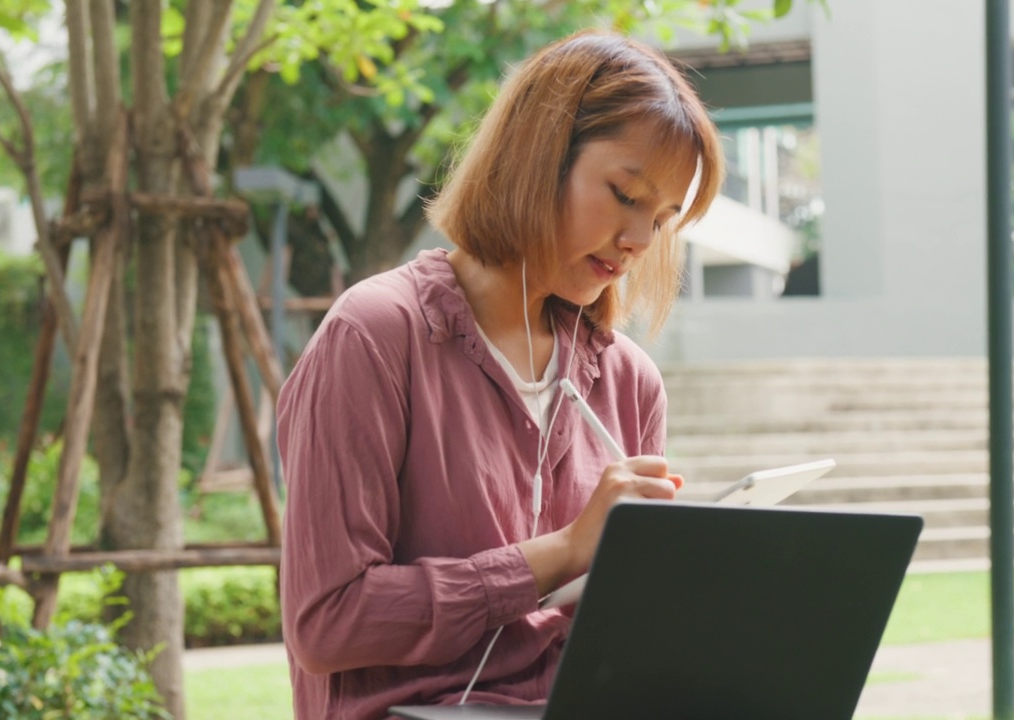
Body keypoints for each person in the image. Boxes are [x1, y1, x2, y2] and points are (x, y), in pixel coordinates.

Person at [276, 29, 724, 720]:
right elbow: (328, 622)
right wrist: (563, 551)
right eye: (624, 194)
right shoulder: (375, 336)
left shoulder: (627, 381)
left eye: (662, 220)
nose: (639, 240)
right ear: (538, 159)